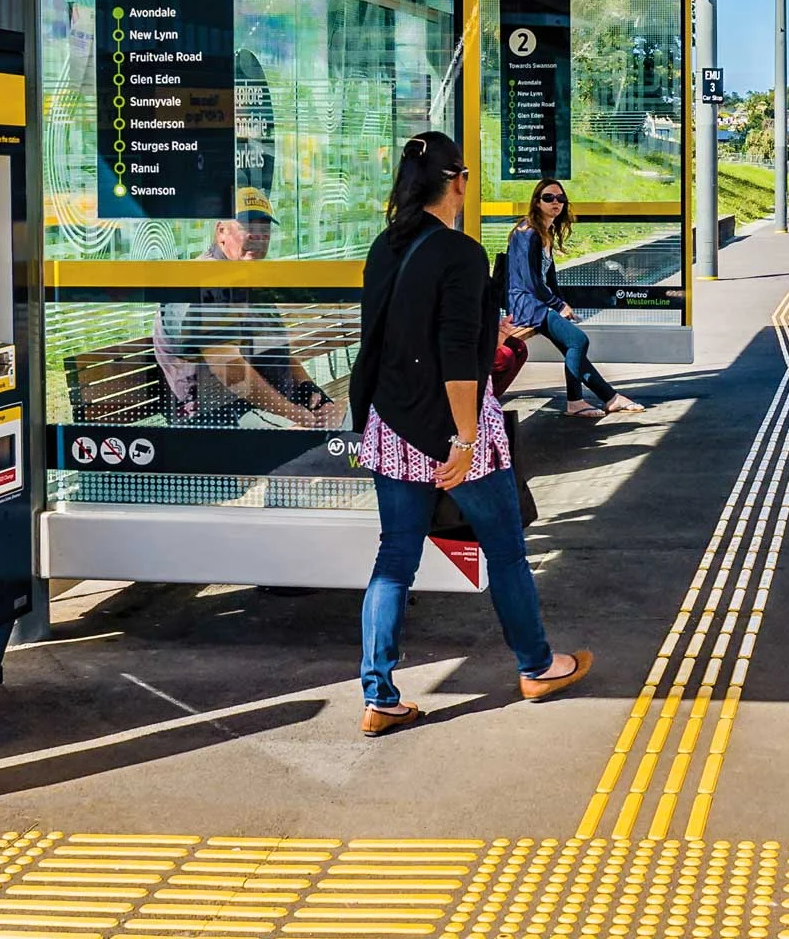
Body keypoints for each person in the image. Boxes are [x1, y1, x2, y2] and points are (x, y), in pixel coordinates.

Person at [345, 133, 591, 736]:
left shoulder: (384, 245)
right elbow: (457, 355)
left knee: (394, 558)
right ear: (455, 182)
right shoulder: (460, 252)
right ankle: (537, 666)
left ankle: (379, 696)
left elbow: (387, 336)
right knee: (504, 550)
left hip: (391, 424)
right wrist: (462, 440)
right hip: (453, 431)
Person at [154, 187, 344, 429]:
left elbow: (277, 351)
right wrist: (296, 415)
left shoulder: (246, 279)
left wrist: (314, 396)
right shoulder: (206, 281)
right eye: (247, 226)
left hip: (266, 409)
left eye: (265, 229)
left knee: (351, 419)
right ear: (221, 231)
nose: (258, 236)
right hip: (220, 419)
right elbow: (230, 371)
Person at [506, 179, 644, 419]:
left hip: (538, 303)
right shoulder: (527, 233)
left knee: (572, 345)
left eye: (560, 198)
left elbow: (549, 278)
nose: (555, 202)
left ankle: (611, 398)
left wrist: (562, 304)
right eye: (548, 198)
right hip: (526, 304)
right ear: (537, 202)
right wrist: (558, 305)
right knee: (578, 341)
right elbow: (531, 282)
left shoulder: (544, 231)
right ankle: (575, 401)